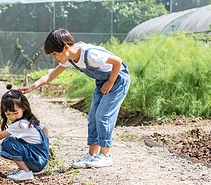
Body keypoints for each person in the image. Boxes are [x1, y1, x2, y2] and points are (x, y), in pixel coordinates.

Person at [19, 28, 130, 168]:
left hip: (117, 80)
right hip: (103, 83)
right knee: (93, 116)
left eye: (54, 54)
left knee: (103, 115)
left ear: (66, 47)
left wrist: (111, 82)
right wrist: (31, 87)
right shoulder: (70, 58)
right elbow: (50, 76)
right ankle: (92, 155)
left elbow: (117, 62)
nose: (54, 58)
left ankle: (105, 155)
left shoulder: (90, 54)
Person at [0, 84, 50, 181]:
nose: (12, 117)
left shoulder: (20, 124)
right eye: (8, 114)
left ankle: (26, 172)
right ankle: (24, 169)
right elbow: (45, 129)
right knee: (16, 140)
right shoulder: (30, 121)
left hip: (36, 161)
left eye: (15, 113)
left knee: (8, 142)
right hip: (41, 159)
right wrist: (44, 147)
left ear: (23, 108)